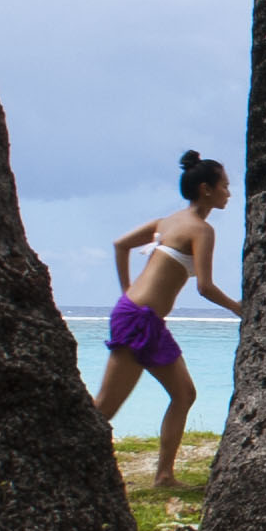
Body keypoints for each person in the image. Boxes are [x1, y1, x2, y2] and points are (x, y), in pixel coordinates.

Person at [92, 150, 244, 490]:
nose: (229, 193)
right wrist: (238, 308)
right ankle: (61, 461)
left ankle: (164, 476)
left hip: (141, 317)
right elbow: (204, 287)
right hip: (138, 320)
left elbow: (120, 245)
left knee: (184, 394)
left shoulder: (169, 221)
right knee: (104, 407)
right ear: (206, 189)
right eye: (224, 186)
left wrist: (127, 291)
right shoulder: (201, 230)